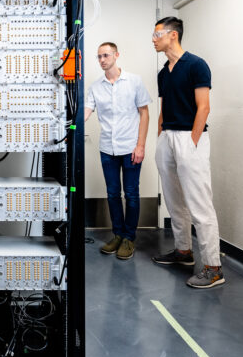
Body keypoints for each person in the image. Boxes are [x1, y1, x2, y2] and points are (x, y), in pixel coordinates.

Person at [150, 17, 224, 289]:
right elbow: (163, 108)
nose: (153, 38)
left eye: (157, 34)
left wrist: (192, 143)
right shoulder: (162, 73)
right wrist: (161, 138)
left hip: (189, 138)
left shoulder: (196, 65)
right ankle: (183, 251)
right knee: (174, 200)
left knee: (200, 204)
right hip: (167, 137)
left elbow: (203, 107)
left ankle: (213, 267)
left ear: (173, 36)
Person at [85, 42, 151, 260]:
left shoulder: (134, 81)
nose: (102, 60)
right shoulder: (95, 87)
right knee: (113, 194)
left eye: (106, 55)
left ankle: (129, 238)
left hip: (130, 147)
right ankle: (117, 235)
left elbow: (144, 113)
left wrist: (140, 145)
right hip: (107, 149)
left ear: (116, 55)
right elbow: (86, 111)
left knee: (131, 193)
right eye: (99, 57)